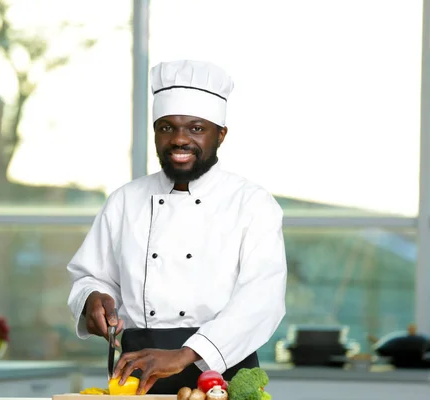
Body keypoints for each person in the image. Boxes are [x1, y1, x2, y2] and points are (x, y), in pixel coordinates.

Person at [66, 59, 287, 395]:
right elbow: (91, 275)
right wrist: (93, 298)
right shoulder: (125, 200)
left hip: (218, 375)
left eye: (196, 128)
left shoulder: (251, 204)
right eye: (166, 127)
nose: (179, 139)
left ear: (221, 134)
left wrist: (186, 354)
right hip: (137, 370)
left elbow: (262, 300)